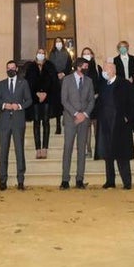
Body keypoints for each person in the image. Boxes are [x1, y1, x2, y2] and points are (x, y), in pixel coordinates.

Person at [95, 62, 134, 189]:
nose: (104, 71)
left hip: (120, 124)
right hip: (105, 123)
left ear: (113, 70)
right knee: (108, 154)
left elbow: (132, 103)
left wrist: (128, 117)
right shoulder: (103, 85)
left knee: (122, 155)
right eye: (103, 69)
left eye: (106, 69)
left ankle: (127, 182)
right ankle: (110, 181)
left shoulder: (124, 84)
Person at [0, 59, 32, 190]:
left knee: (19, 151)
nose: (10, 69)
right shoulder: (1, 84)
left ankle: (20, 180)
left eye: (12, 67)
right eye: (8, 67)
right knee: (3, 152)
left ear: (16, 69)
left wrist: (19, 106)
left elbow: (29, 100)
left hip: (18, 121)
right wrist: (5, 105)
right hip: (4, 122)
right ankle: (2, 181)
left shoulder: (23, 83)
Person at [60, 57, 95, 189]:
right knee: (68, 148)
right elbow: (64, 100)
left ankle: (79, 179)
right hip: (70, 119)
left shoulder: (89, 81)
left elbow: (92, 100)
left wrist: (84, 114)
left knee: (82, 149)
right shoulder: (67, 80)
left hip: (84, 120)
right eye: (85, 66)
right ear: (78, 67)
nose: (87, 68)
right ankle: (65, 180)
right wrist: (76, 113)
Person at [24, 47, 58, 159]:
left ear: (46, 55)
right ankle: (38, 149)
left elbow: (54, 82)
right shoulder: (31, 67)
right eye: (39, 53)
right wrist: (36, 94)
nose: (41, 54)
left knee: (46, 122)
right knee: (37, 122)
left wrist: (45, 93)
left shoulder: (50, 66)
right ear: (36, 54)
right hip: (35, 99)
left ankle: (45, 148)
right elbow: (28, 83)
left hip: (47, 98)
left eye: (43, 53)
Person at [80, 47, 102, 156]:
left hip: (97, 100)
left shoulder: (98, 68)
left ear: (92, 55)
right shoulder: (80, 70)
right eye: (84, 54)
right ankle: (88, 150)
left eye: (88, 53)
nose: (87, 55)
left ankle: (99, 150)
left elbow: (102, 83)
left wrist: (97, 94)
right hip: (85, 102)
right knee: (86, 127)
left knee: (97, 127)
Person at [49, 38, 72, 134]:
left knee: (66, 100)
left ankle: (65, 120)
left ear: (62, 43)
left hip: (65, 79)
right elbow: (50, 66)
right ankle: (58, 125)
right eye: (56, 42)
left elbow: (69, 65)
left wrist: (64, 73)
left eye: (60, 41)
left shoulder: (67, 53)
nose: (58, 43)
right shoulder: (52, 54)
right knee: (57, 103)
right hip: (55, 81)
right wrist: (56, 74)